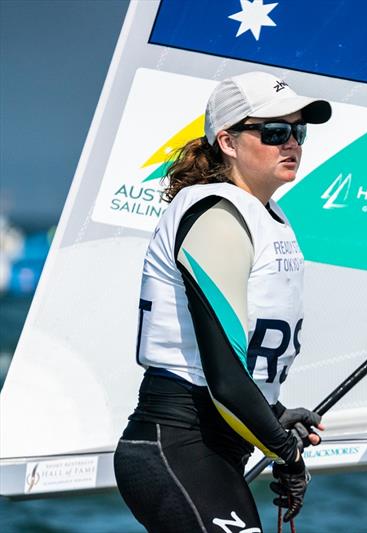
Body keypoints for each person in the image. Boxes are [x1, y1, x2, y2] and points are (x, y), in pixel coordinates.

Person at [114, 71, 332, 532]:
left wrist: (274, 412)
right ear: (228, 141)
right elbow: (223, 377)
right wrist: (286, 452)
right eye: (274, 132)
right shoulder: (215, 213)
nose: (291, 143)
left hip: (217, 448)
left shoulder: (268, 216)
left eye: (298, 131)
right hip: (177, 440)